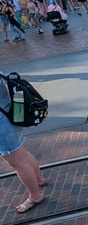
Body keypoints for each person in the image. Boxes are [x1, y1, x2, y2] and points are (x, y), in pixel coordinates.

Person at [0, 74, 47, 213]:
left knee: (18, 162)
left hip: (2, 123)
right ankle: (39, 179)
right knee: (22, 154)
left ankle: (35, 196)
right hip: (9, 115)